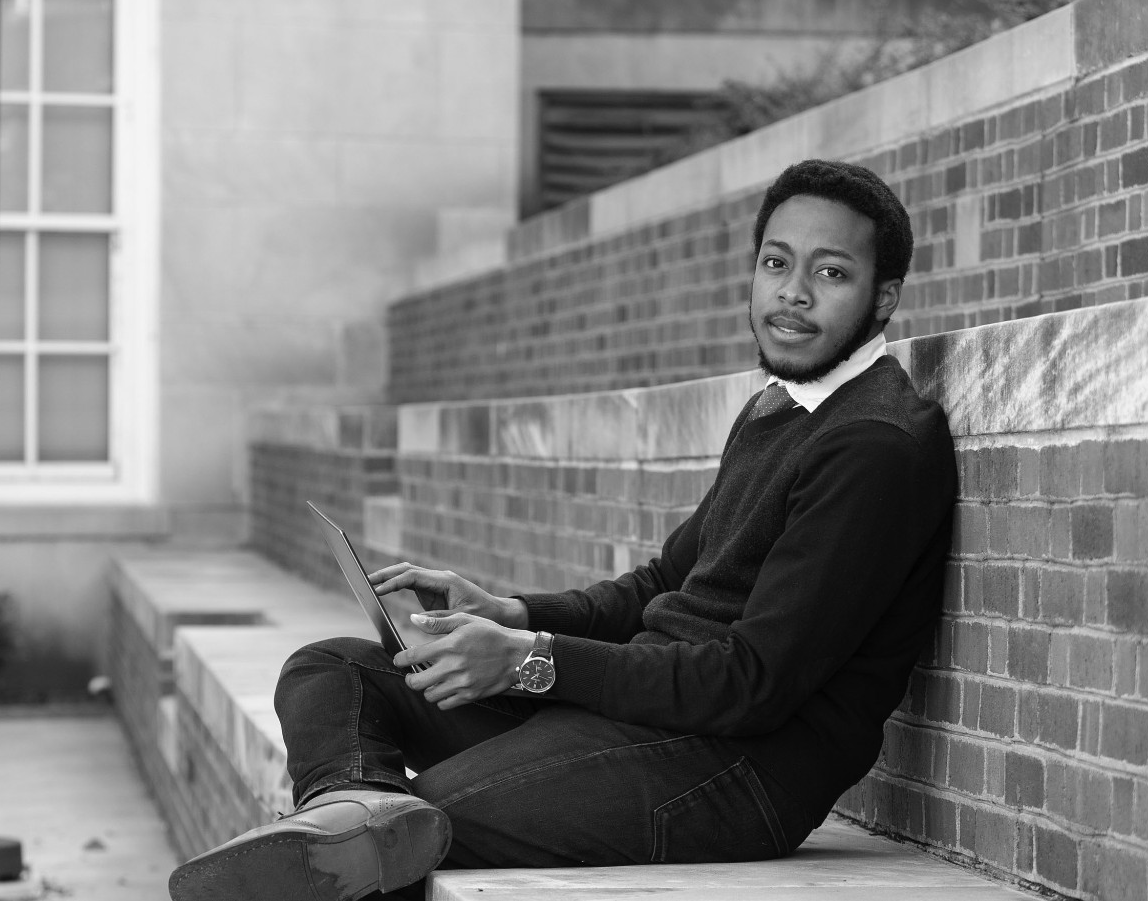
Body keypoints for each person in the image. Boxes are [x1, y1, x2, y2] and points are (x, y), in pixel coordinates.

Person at [168, 158, 957, 901]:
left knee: (427, 821)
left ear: (883, 297)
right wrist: (514, 613)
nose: (792, 294)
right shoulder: (781, 408)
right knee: (331, 671)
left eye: (831, 273)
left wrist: (531, 662)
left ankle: (349, 834)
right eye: (777, 264)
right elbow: (659, 586)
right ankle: (346, 821)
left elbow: (750, 683)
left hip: (738, 770)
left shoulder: (875, 447)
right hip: (637, 716)